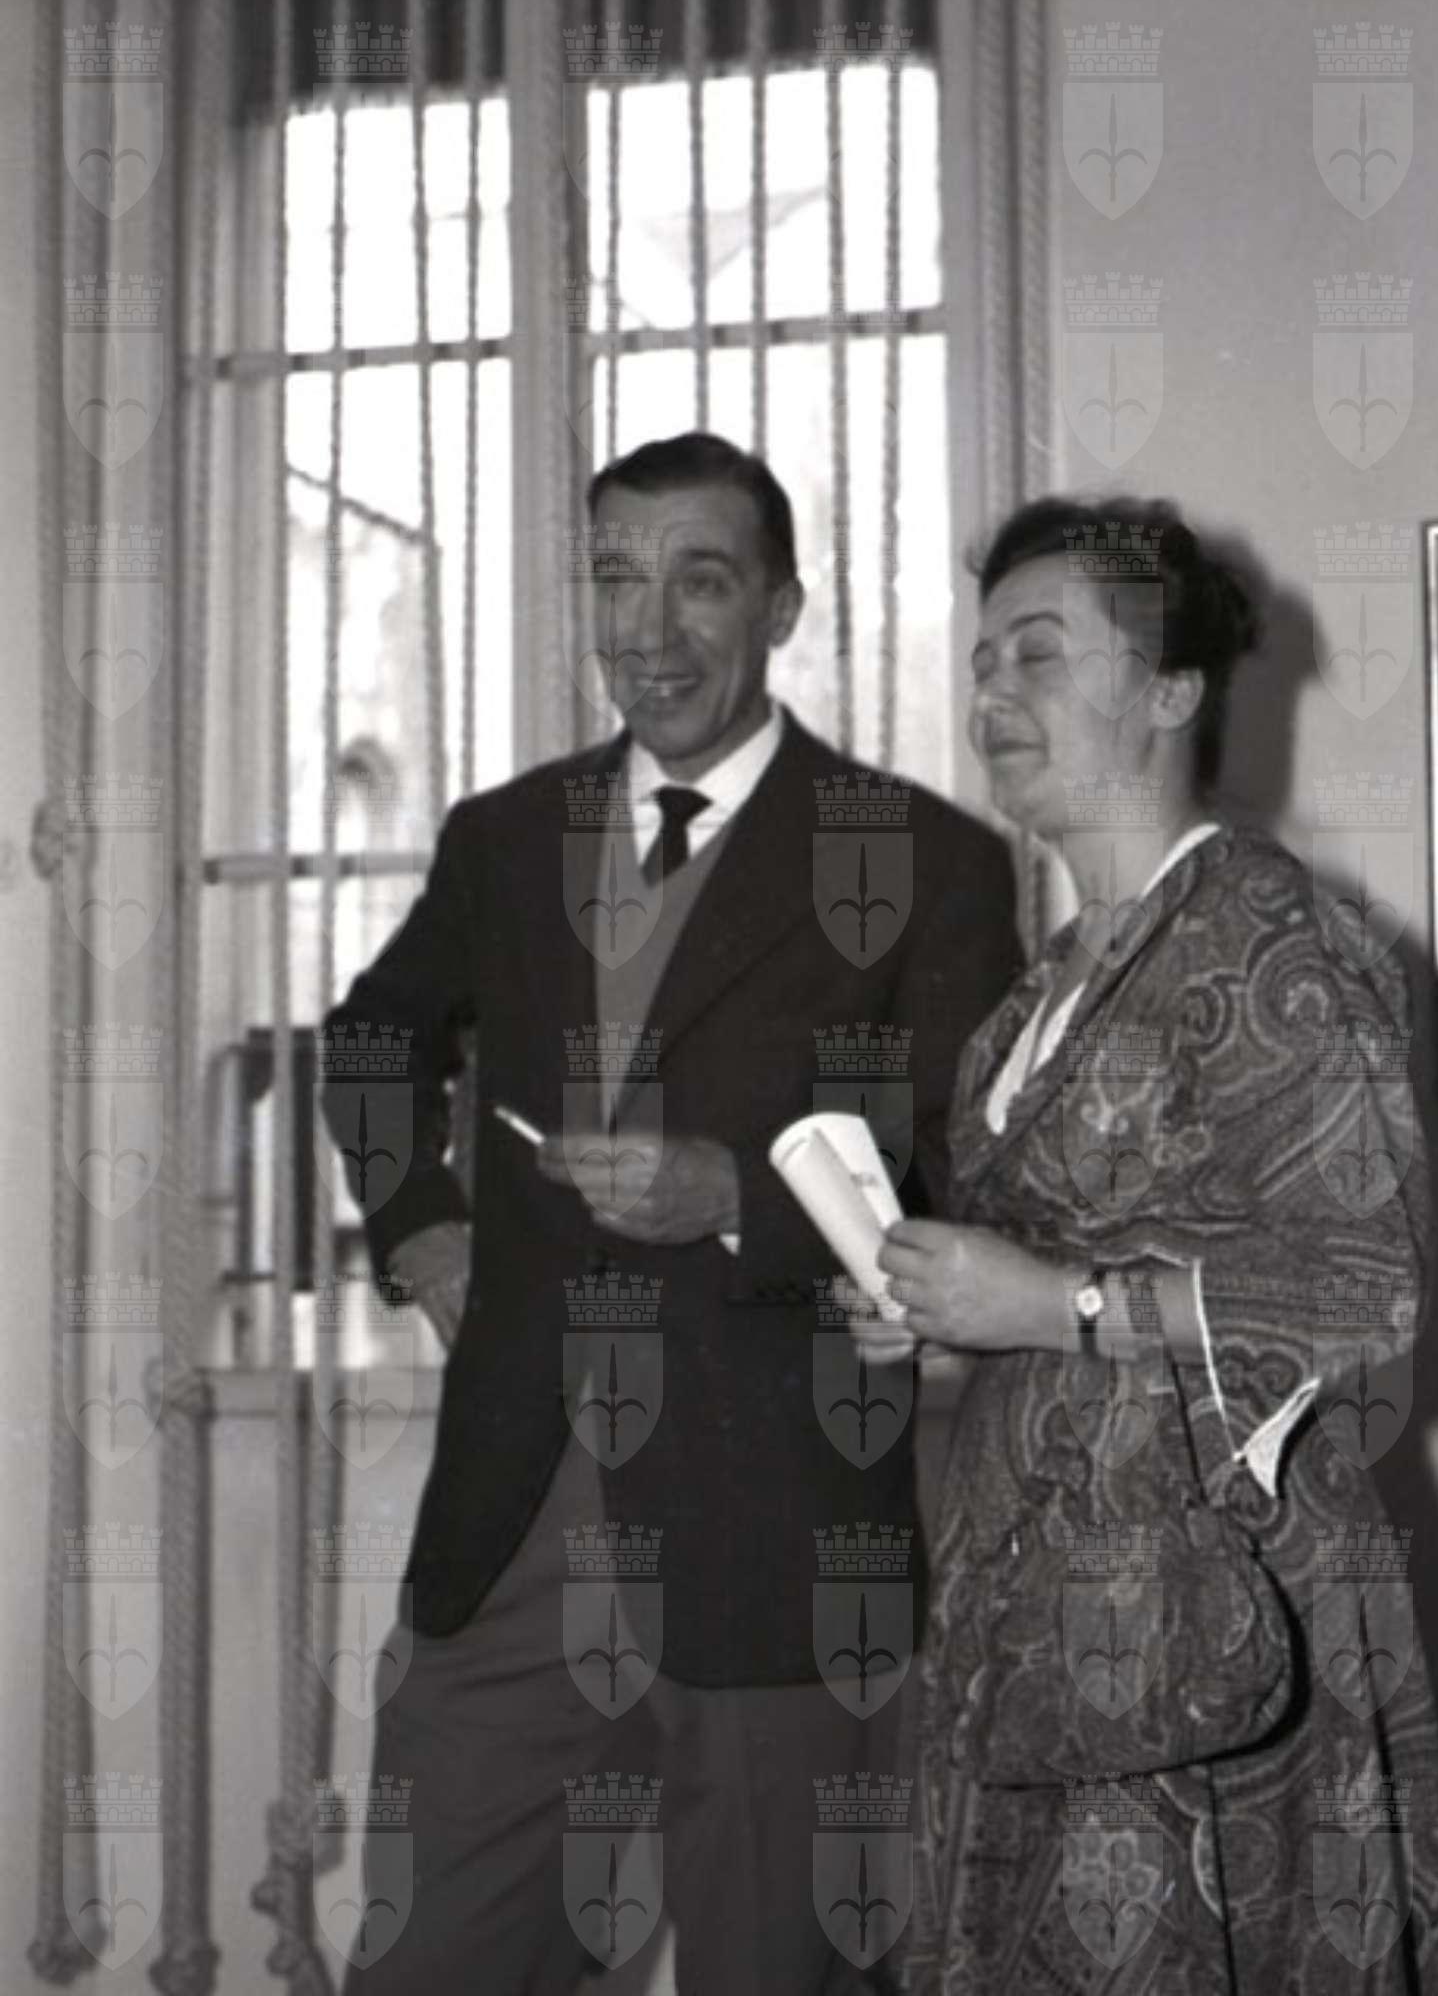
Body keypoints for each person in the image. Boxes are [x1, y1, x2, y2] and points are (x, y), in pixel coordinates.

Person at [318, 431, 1023, 1994]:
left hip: (782, 1548)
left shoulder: (928, 860)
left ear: (782, 609)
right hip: (512, 1536)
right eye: (615, 580)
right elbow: (369, 1044)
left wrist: (737, 1198)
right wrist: (422, 1228)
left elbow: (966, 1170)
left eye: (699, 582)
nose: (647, 631)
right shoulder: (504, 842)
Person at [875, 496, 1438, 1991]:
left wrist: (1057, 1308)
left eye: (1038, 654)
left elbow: (1369, 1293)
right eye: (982, 660)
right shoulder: (1035, 999)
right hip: (1035, 1620)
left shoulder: (1273, 939)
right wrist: (948, 1310)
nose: (990, 693)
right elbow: (1046, 1288)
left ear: (1169, 693)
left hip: (1210, 1631)